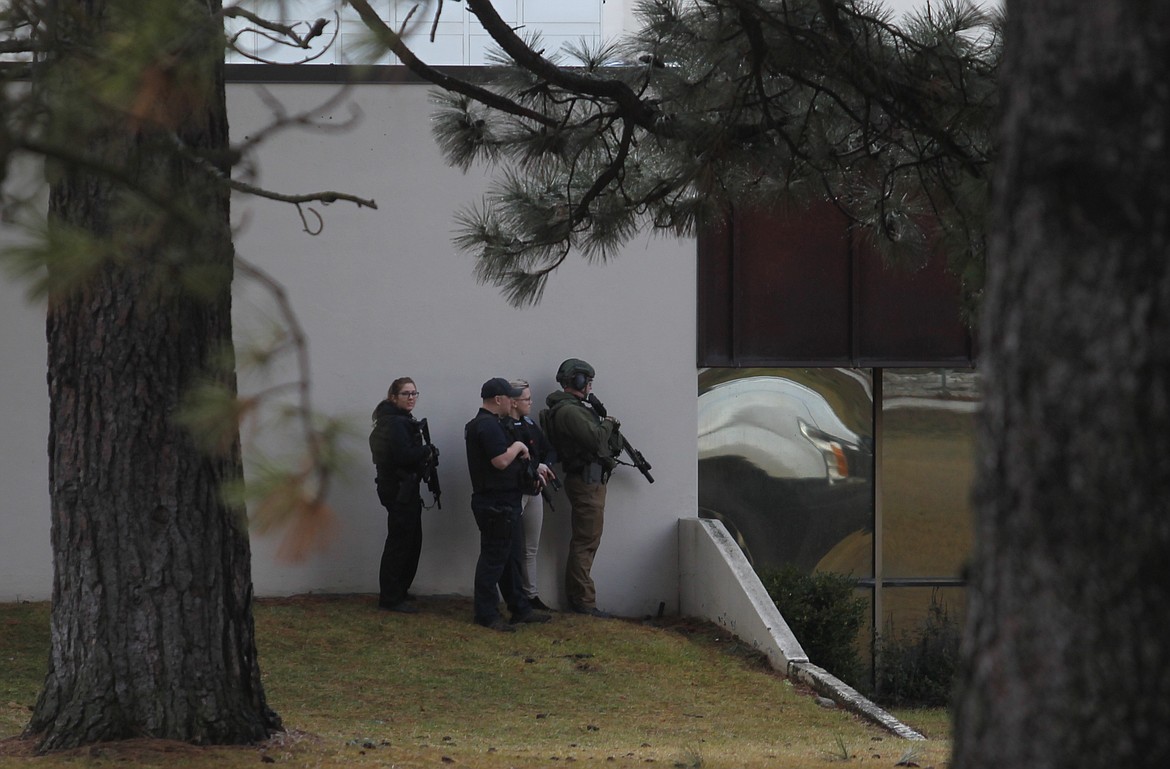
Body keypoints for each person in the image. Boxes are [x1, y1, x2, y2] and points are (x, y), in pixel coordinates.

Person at [464, 377, 553, 632]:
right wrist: (517, 446)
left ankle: (520, 608)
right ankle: (486, 614)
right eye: (510, 397)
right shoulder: (487, 426)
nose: (514, 401)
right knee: (493, 560)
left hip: (505, 501)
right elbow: (500, 462)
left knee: (510, 557)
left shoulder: (493, 424)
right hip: (495, 503)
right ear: (498, 399)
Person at [541, 358, 622, 618]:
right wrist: (608, 422)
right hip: (586, 482)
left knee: (587, 540)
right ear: (576, 380)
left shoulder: (575, 409)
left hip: (590, 481)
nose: (589, 385)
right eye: (587, 380)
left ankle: (580, 598)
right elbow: (597, 439)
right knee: (585, 541)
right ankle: (583, 601)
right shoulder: (570, 411)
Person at [369, 377, 436, 613]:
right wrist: (426, 450)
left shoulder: (395, 421)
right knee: (400, 542)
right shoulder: (396, 423)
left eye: (414, 393)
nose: (411, 398)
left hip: (400, 488)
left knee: (410, 540)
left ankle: (398, 592)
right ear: (393, 397)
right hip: (399, 489)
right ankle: (391, 597)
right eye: (406, 393)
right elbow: (403, 456)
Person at [506, 379, 558, 612]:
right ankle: (516, 595)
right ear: (514, 402)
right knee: (513, 547)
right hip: (516, 491)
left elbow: (548, 449)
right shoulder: (504, 425)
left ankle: (531, 594)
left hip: (534, 490)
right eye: (526, 399)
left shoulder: (529, 423)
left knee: (531, 548)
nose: (530, 402)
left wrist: (543, 465)